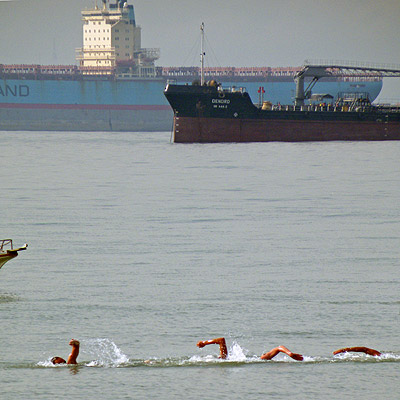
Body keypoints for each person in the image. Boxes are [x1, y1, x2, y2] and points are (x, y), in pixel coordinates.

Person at [196, 337, 303, 361]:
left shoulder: (224, 357)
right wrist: (290, 354)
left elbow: (221, 340)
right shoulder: (225, 358)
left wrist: (204, 343)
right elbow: (279, 348)